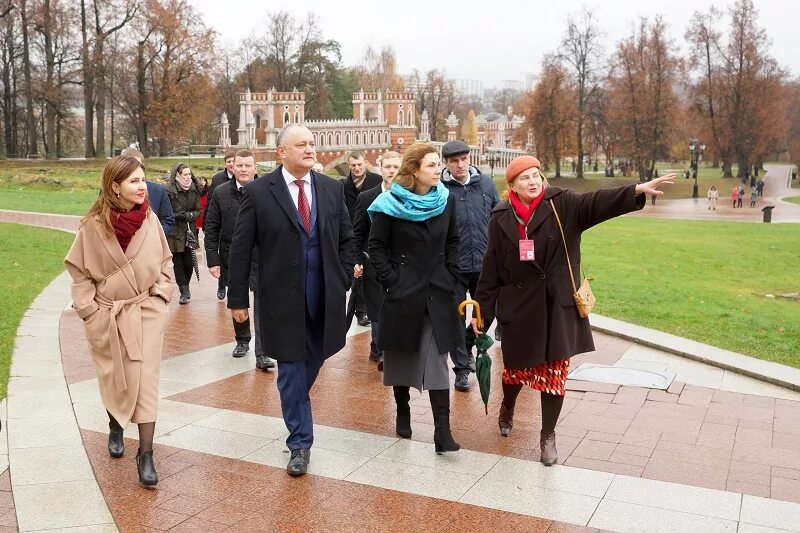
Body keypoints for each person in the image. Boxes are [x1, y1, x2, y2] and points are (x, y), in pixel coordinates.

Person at [472, 155, 673, 466]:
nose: (533, 181)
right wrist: (481, 316)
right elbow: (491, 270)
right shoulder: (500, 216)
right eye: (525, 177)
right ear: (511, 185)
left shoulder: (561, 204)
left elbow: (596, 203)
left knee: (554, 375)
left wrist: (635, 190)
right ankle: (508, 405)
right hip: (519, 309)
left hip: (557, 306)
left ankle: (547, 435)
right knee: (515, 373)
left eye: (536, 174)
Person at [227, 124, 355, 476]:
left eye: (312, 144)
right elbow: (240, 250)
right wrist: (237, 297)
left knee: (310, 362)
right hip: (280, 299)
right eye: (301, 145)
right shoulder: (259, 192)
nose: (310, 149)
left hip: (324, 296)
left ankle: (296, 405)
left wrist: (342, 276)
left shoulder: (331, 189)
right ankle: (300, 442)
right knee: (291, 370)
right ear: (281, 152)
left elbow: (347, 238)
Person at [64, 155, 174, 486]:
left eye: (143, 180)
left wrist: (160, 299)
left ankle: (145, 453)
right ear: (115, 187)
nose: (142, 186)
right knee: (115, 377)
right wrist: (90, 311)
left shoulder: (151, 222)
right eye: (134, 181)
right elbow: (79, 273)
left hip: (144, 314)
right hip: (107, 315)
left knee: (146, 382)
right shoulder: (92, 227)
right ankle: (115, 424)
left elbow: (165, 263)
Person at [368, 142, 462, 453]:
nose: (439, 170)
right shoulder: (389, 203)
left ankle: (442, 431)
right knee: (400, 356)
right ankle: (403, 409)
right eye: (432, 165)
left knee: (437, 360)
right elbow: (377, 247)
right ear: (414, 171)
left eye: (439, 165)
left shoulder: (446, 200)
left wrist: (451, 275)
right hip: (403, 292)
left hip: (438, 293)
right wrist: (392, 281)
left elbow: (453, 241)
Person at [204, 149, 275, 370]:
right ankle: (242, 340)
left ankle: (262, 352)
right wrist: (212, 260)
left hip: (261, 256)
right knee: (238, 299)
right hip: (232, 255)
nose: (243, 169)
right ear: (231, 167)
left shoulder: (267, 191)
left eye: (248, 165)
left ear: (255, 168)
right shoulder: (220, 193)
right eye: (239, 165)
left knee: (263, 302)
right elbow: (211, 227)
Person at [440, 140, 500, 391]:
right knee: (455, 317)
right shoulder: (440, 190)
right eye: (454, 161)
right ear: (446, 163)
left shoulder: (485, 184)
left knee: (486, 313)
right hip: (453, 266)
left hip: (485, 264)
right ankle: (462, 370)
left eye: (464, 159)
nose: (460, 164)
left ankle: (467, 343)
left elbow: (499, 217)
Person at [352, 151, 402, 370]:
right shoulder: (367, 197)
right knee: (377, 308)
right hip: (373, 263)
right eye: (388, 167)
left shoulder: (410, 196)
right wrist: (356, 260)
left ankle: (378, 346)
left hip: (401, 263)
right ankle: (382, 351)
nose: (391, 171)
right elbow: (357, 233)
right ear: (380, 168)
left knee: (397, 307)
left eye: (395, 167)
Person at [343, 150, 382, 327]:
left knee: (369, 275)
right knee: (357, 273)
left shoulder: (376, 181)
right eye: (353, 166)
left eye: (359, 164)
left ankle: (364, 309)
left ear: (365, 163)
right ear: (349, 165)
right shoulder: (343, 185)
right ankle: (360, 311)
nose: (357, 168)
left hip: (371, 232)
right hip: (352, 233)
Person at [165, 164, 202, 304]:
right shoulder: (169, 191)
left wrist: (188, 215)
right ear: (178, 175)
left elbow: (199, 210)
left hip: (190, 231)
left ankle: (185, 285)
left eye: (189, 174)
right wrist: (179, 216)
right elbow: (168, 212)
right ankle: (184, 290)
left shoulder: (194, 190)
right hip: (175, 231)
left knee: (189, 262)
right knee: (178, 262)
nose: (188, 177)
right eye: (185, 174)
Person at [120, 147, 174, 235]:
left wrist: (151, 237)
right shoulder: (111, 190)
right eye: (129, 166)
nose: (135, 170)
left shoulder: (158, 190)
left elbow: (168, 221)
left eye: (138, 165)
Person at [208, 149, 237, 300]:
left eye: (234, 161)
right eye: (229, 161)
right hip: (221, 223)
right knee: (223, 257)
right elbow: (210, 202)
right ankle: (221, 285)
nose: (231, 164)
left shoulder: (250, 178)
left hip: (235, 225)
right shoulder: (218, 179)